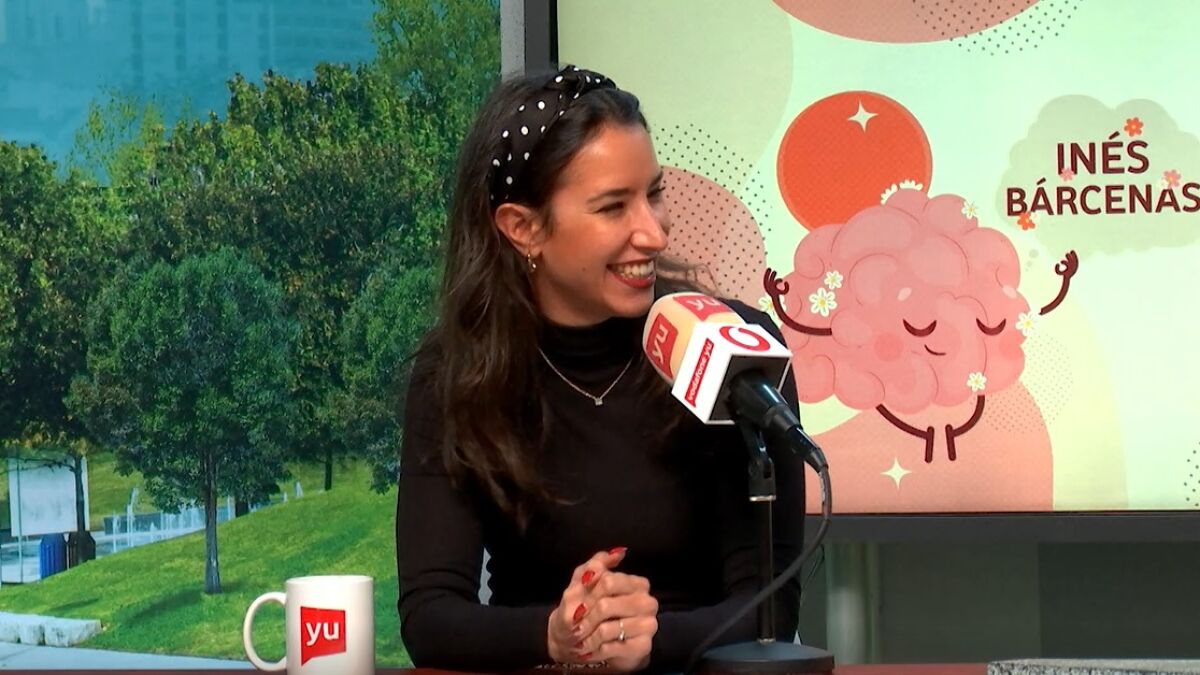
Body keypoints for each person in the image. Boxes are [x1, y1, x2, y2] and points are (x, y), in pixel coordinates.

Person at [396, 65, 808, 673]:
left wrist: (646, 641)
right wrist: (555, 635)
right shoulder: (455, 372)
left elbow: (771, 609)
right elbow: (430, 617)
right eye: (614, 207)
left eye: (654, 194)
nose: (654, 232)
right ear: (523, 228)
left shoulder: (735, 353)